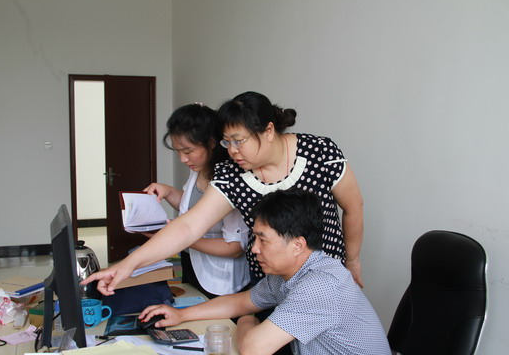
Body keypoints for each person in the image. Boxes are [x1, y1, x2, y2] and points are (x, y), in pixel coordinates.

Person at [82, 91, 364, 295]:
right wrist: (127, 265)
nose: (232, 151)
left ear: (268, 131)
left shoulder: (319, 152)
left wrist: (352, 261)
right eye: (227, 142)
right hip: (269, 285)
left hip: (325, 280)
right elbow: (190, 224)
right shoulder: (232, 172)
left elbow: (353, 207)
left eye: (238, 141)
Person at [139, 189, 394, 355]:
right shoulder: (288, 273)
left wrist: (246, 320)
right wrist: (181, 314)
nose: (255, 249)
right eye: (255, 238)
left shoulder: (320, 285)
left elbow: (252, 347)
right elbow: (241, 301)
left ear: (298, 245)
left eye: (263, 240)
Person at [143, 103, 250, 298]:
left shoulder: (230, 180)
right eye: (178, 151)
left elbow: (235, 247)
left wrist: (181, 238)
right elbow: (195, 209)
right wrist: (167, 192)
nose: (182, 159)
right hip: (192, 264)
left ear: (211, 142)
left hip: (221, 278)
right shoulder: (199, 169)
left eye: (188, 151)